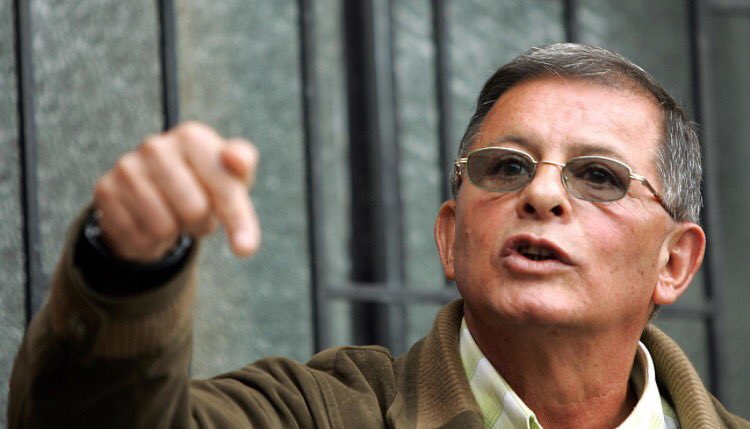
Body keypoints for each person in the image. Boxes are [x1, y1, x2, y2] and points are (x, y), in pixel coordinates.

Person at [8, 43, 748, 428]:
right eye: (506, 166)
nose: (542, 193)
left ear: (675, 262)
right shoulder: (319, 413)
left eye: (599, 176)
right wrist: (127, 268)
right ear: (450, 237)